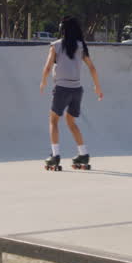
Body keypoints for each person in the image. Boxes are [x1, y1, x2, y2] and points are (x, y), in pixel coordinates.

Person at [39, 16, 103, 170]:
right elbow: (92, 67)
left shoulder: (55, 45)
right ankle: (83, 153)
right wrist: (97, 87)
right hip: (77, 90)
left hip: (61, 89)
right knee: (71, 121)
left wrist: (43, 81)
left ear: (62, 29)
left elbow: (48, 67)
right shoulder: (81, 46)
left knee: (53, 120)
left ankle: (55, 156)